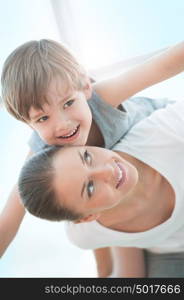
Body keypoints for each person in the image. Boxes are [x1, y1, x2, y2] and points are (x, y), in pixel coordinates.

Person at [0, 39, 183, 272]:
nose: (63, 125)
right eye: (43, 118)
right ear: (29, 124)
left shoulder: (102, 97)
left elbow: (162, 66)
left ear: (86, 87)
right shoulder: (45, 155)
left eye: (67, 103)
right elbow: (8, 222)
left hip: (163, 149)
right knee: (79, 195)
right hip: (119, 189)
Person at [18, 98, 184, 277]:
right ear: (88, 217)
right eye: (90, 188)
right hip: (170, 254)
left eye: (87, 157)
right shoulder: (84, 234)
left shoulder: (166, 132)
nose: (107, 170)